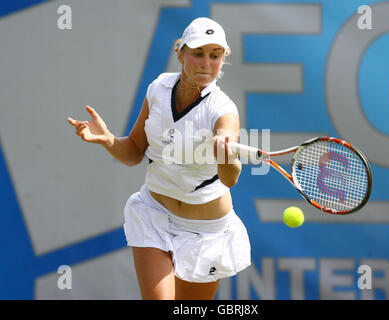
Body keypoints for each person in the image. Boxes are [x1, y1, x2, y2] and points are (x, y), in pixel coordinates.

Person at [67, 17, 251, 300]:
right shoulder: (159, 88)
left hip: (207, 233)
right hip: (155, 213)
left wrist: (227, 155)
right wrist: (108, 140)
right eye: (198, 53)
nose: (206, 63)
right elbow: (133, 152)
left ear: (222, 60)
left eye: (215, 56)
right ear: (180, 54)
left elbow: (230, 177)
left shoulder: (223, 110)